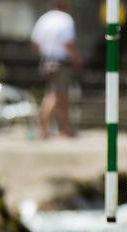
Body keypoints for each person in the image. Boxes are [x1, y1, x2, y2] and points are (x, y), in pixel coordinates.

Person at [30, 0, 81, 138]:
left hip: (46, 60)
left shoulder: (44, 19)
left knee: (62, 95)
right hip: (60, 62)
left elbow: (35, 42)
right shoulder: (65, 20)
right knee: (55, 95)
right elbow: (68, 43)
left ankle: (64, 127)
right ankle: (44, 128)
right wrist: (76, 58)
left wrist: (47, 51)